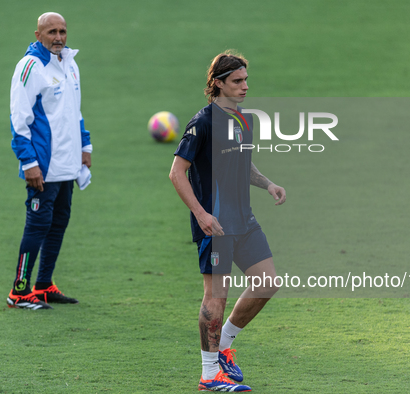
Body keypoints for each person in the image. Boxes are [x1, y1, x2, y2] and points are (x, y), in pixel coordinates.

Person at [169, 51, 286, 392]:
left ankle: (224, 347)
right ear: (217, 84)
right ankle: (209, 375)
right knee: (216, 295)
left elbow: (242, 164)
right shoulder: (202, 123)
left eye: (246, 80)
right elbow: (177, 173)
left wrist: (268, 184)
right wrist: (201, 215)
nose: (245, 86)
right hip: (216, 223)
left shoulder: (243, 119)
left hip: (244, 220)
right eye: (237, 81)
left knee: (267, 283)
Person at [7, 12, 92, 310]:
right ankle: (19, 290)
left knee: (58, 224)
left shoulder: (68, 63)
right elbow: (19, 119)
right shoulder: (30, 67)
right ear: (38, 34)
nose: (58, 37)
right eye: (52, 31)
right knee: (37, 225)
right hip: (43, 166)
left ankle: (43, 285)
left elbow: (74, 110)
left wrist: (86, 145)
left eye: (63, 31)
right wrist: (28, 162)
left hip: (67, 166)